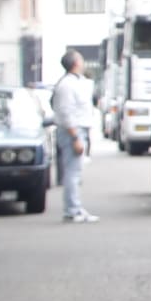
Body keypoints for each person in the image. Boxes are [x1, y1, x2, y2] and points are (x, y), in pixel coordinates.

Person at [49, 49, 99, 224]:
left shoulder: (77, 82)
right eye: (81, 60)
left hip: (78, 130)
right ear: (75, 63)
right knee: (72, 172)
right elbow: (66, 112)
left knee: (75, 172)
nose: (83, 62)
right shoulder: (67, 85)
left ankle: (76, 207)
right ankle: (72, 210)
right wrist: (76, 137)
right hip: (73, 131)